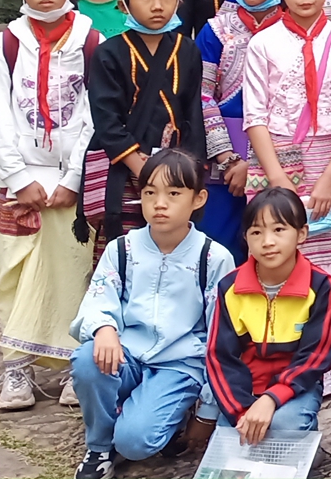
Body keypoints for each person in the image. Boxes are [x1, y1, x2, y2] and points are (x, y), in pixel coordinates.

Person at [68, 148, 235, 479]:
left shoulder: (213, 258)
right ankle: (99, 447)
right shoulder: (122, 249)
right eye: (150, 193)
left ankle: (158, 416)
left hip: (179, 365)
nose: (160, 204)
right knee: (87, 359)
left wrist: (208, 409)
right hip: (126, 355)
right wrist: (104, 328)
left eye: (173, 194)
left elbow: (222, 337)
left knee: (135, 443)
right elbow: (99, 299)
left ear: (198, 198)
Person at [241, 0, 331, 364]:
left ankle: (327, 362)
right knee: (275, 252)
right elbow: (254, 115)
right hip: (273, 155)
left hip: (329, 157)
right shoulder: (263, 43)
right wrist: (277, 178)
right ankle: (276, 358)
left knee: (329, 261)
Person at [0, 0, 100, 412]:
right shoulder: (6, 44)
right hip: (20, 182)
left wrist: (74, 177)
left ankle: (76, 365)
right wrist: (17, 177)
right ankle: (17, 367)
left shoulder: (92, 42)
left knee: (73, 269)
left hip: (71, 181)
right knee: (14, 270)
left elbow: (94, 113)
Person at [85, 0, 207, 249]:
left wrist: (190, 167)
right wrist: (142, 168)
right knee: (126, 249)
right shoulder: (109, 53)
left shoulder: (187, 49)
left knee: (175, 244)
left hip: (177, 166)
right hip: (127, 166)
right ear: (123, 5)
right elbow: (105, 118)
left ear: (179, 2)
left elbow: (194, 111)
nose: (157, 6)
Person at [204, 187, 331, 447]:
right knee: (236, 442)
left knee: (283, 427)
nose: (267, 241)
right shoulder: (230, 287)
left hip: (296, 386)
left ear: (302, 233)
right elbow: (220, 356)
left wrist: (271, 398)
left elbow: (316, 355)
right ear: (246, 237)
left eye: (279, 230)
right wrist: (241, 412)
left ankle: (306, 446)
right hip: (245, 388)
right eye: (256, 232)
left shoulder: (320, 285)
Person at [196, 0, 282, 258]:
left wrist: (256, 165)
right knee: (219, 250)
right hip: (222, 163)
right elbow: (202, 95)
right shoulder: (215, 31)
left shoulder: (291, 31)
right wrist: (229, 159)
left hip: (279, 158)